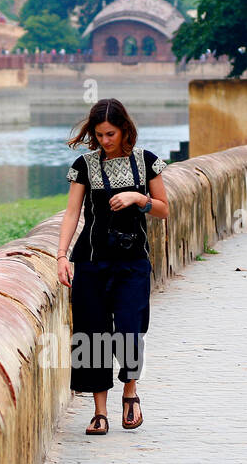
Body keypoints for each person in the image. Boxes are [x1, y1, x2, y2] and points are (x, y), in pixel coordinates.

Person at [58, 98, 169, 435]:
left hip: (133, 263)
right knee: (91, 336)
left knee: (130, 331)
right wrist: (61, 255)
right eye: (99, 134)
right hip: (90, 263)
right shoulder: (84, 166)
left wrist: (139, 199)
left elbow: (164, 208)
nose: (105, 140)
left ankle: (131, 392)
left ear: (124, 130)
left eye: (110, 133)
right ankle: (99, 411)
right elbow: (72, 213)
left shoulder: (147, 162)